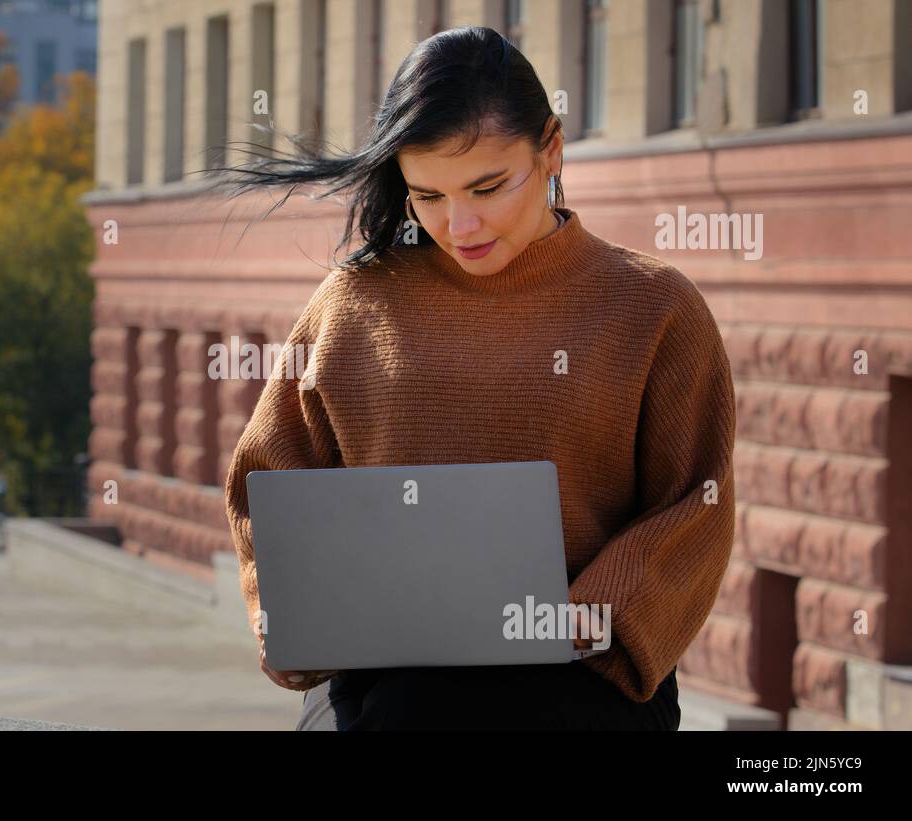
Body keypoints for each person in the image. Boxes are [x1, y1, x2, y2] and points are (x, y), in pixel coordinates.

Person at [214, 27, 736, 730]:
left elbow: (694, 500)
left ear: (551, 147)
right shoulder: (353, 302)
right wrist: (276, 605)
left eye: (488, 187)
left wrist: (591, 616)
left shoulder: (653, 306)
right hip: (378, 679)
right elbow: (266, 475)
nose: (459, 225)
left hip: (584, 677)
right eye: (426, 195)